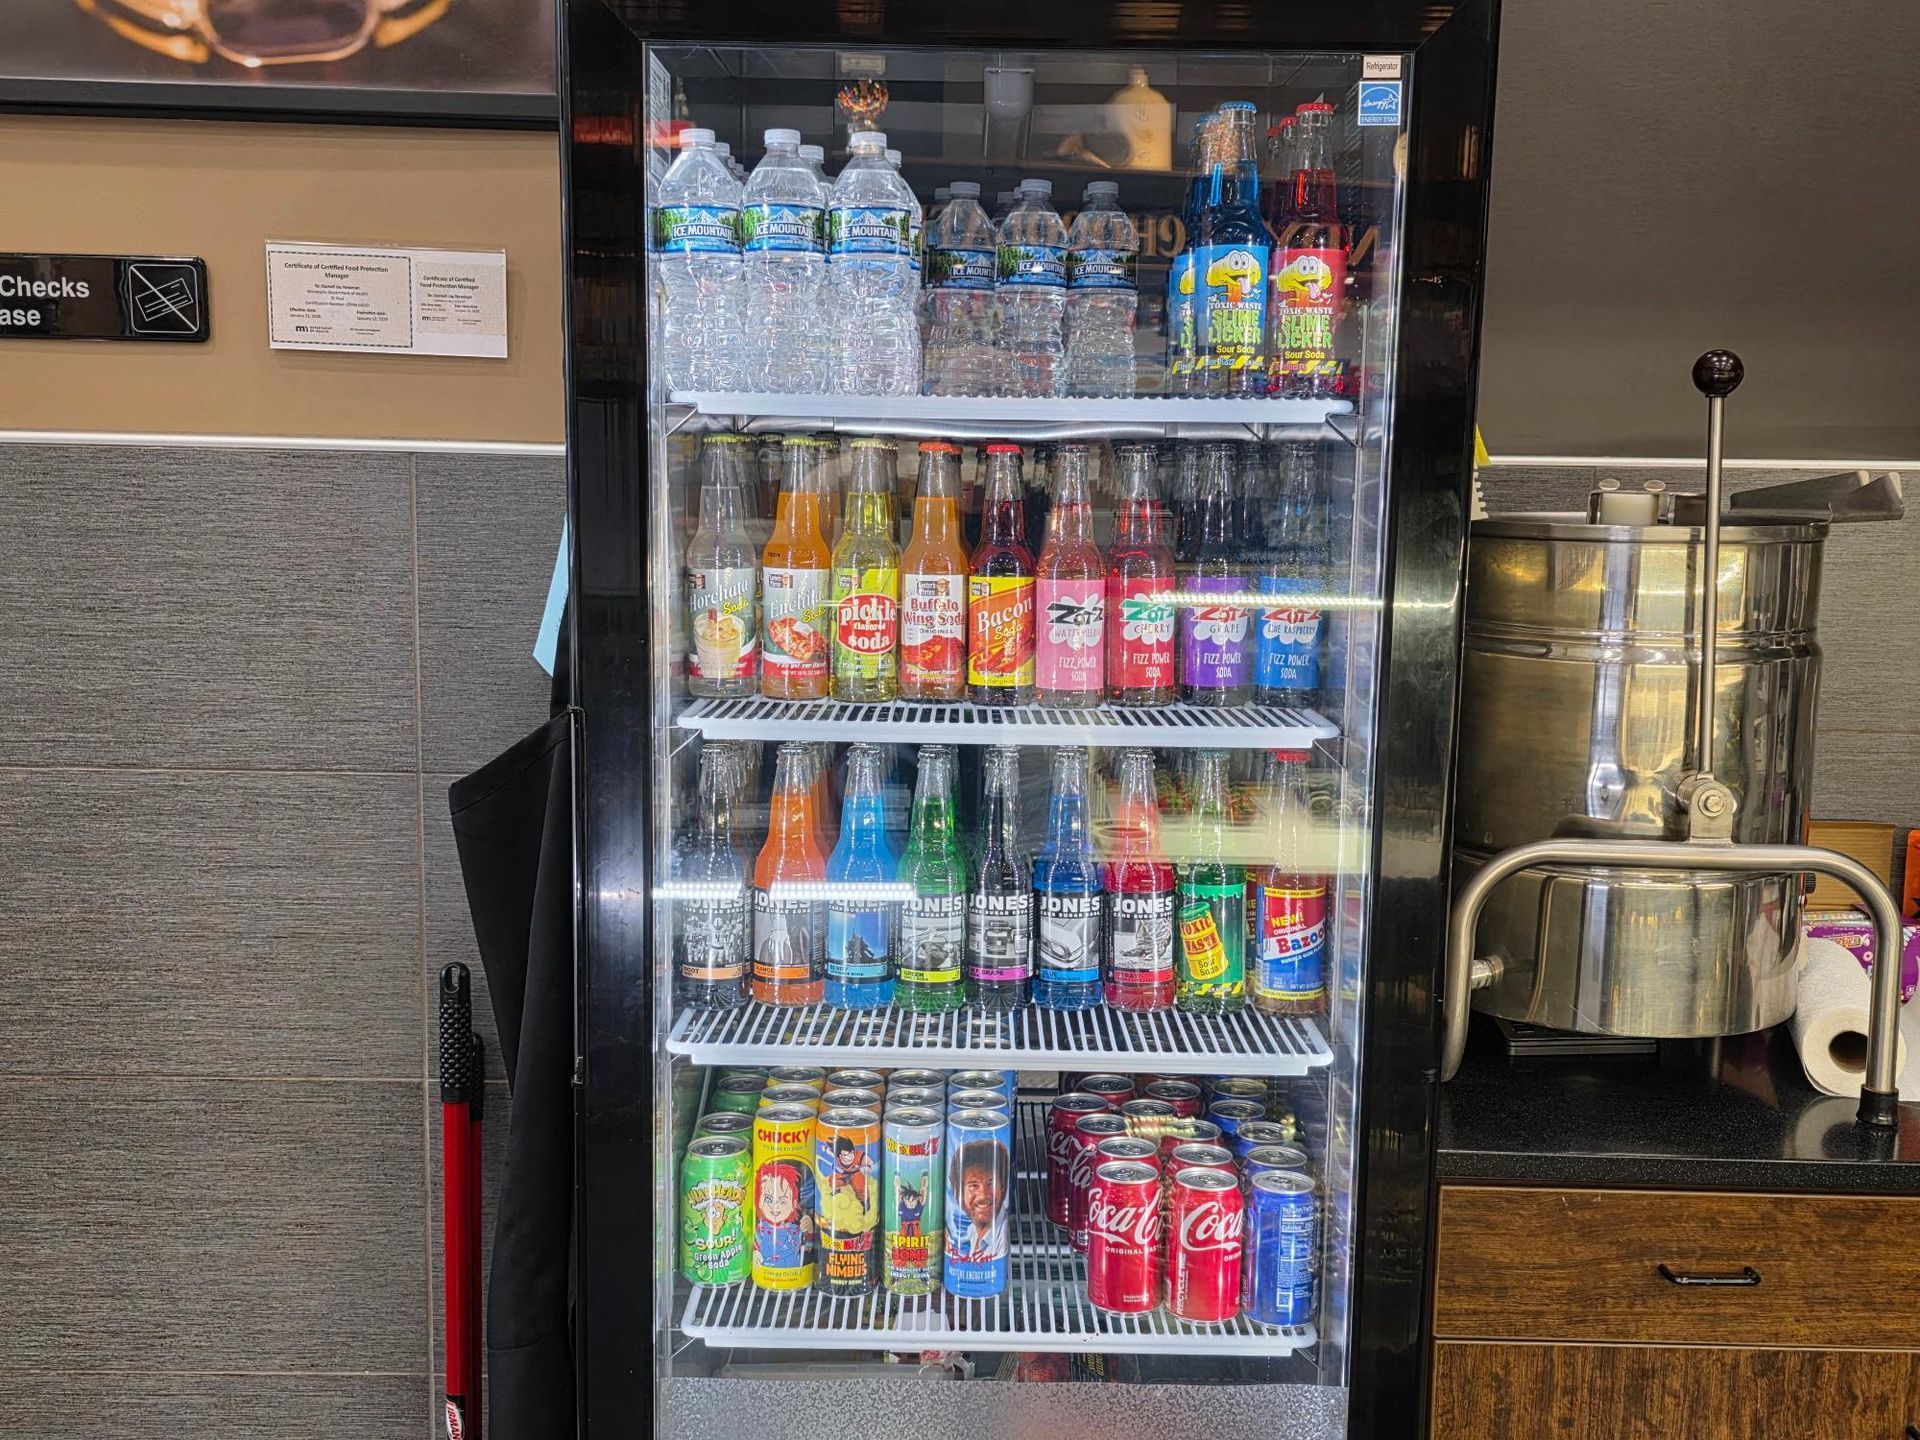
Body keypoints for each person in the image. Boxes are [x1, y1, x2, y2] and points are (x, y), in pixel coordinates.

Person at [945, 1135, 1010, 1258]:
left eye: (991, 1183)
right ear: (959, 1193)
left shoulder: (1003, 1234)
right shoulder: (972, 1231)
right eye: (973, 1186)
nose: (983, 1194)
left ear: (1002, 1186)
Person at [752, 1161, 816, 1268]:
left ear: (794, 1204)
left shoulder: (796, 1230)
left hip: (794, 1273)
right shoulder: (761, 1230)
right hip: (767, 1272)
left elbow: (807, 1249)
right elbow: (755, 1248)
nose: (775, 1206)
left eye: (782, 1201)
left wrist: (810, 1231)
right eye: (769, 1199)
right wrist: (754, 1254)